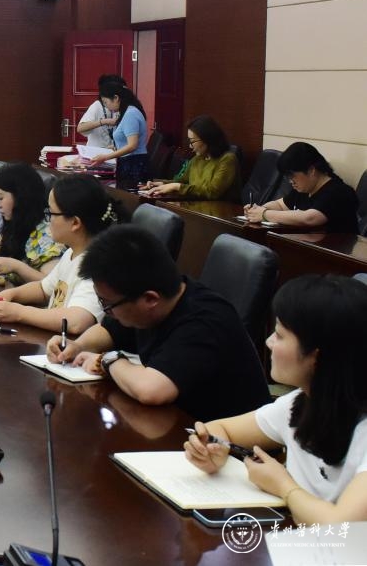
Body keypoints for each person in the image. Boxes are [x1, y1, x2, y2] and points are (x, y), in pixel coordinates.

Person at [184, 274, 367, 524]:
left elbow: (341, 526)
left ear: (317, 357)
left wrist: (283, 485)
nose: (269, 342)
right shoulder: (300, 403)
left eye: (279, 335)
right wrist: (213, 451)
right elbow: (220, 429)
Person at [48, 225, 270, 422]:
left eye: (108, 304)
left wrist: (108, 359)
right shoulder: (146, 301)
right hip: (181, 428)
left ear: (150, 299)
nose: (108, 312)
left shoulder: (205, 321)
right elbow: (109, 330)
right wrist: (77, 346)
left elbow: (151, 390)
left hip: (232, 446)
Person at [0, 173, 120, 334]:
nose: (47, 221)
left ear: (75, 222)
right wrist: (10, 294)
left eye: (51, 214)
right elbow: (43, 289)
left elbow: (76, 322)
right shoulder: (71, 253)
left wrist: (19, 313)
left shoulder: (98, 266)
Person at [243, 142, 359, 232]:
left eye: (292, 175)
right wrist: (257, 210)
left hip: (335, 252)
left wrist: (264, 214)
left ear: (311, 170)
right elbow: (280, 205)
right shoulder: (305, 188)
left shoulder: (338, 191)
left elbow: (309, 218)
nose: (290, 181)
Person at [142, 115, 239, 200]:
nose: (190, 146)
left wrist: (176, 186)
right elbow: (181, 181)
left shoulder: (227, 159)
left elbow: (212, 192)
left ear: (207, 139)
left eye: (192, 141)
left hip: (219, 211)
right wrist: (161, 184)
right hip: (196, 206)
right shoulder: (197, 159)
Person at [85, 80, 149, 185]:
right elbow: (125, 142)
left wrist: (106, 157)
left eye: (106, 102)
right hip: (128, 162)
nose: (106, 106)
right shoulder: (126, 112)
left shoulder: (131, 114)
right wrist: (111, 148)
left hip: (134, 164)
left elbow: (132, 145)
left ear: (116, 98)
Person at [76, 74, 126, 150]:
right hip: (96, 151)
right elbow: (80, 128)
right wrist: (104, 121)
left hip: (114, 151)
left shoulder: (121, 106)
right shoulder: (97, 105)